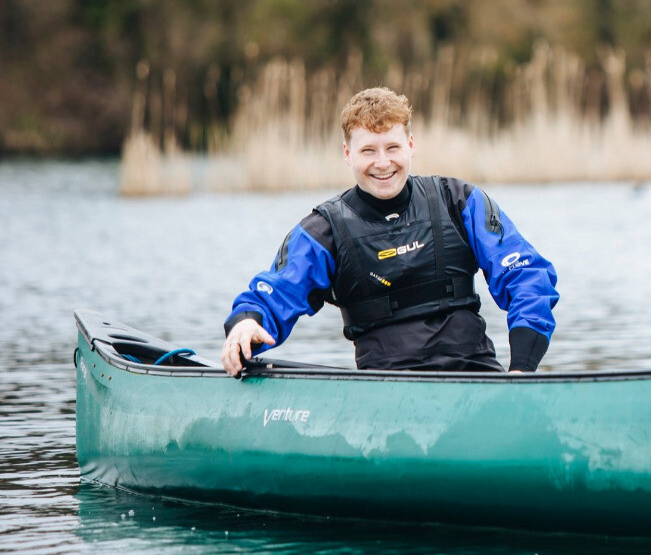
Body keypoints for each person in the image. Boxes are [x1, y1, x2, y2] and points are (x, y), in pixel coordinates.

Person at [221, 87, 558, 376]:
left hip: (474, 378)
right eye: (368, 150)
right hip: (385, 395)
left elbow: (528, 277)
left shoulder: (459, 202)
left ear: (410, 145)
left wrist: (521, 370)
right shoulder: (324, 231)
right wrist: (247, 323)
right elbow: (272, 293)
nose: (382, 163)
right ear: (347, 153)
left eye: (392, 148)